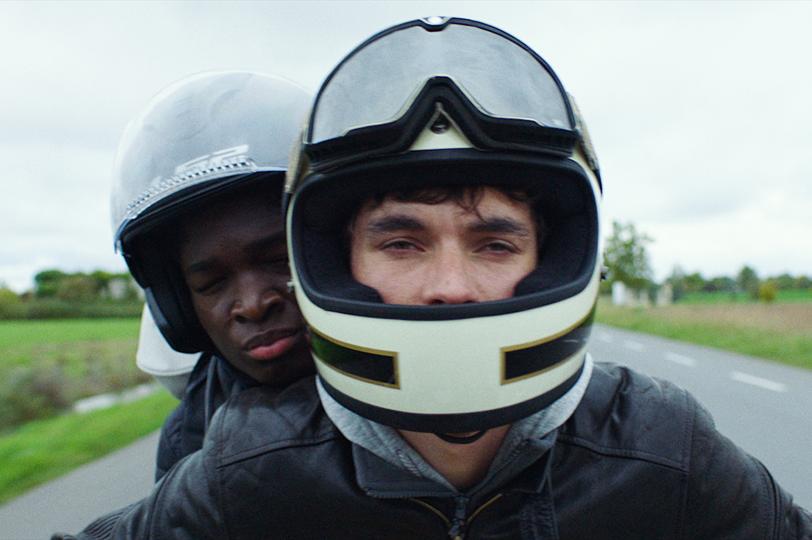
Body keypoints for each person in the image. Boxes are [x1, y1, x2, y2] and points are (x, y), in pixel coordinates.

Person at [62, 17, 811, 539]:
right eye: (401, 242)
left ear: (554, 261)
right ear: (336, 263)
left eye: (494, 243)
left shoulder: (663, 444)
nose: (450, 286)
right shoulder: (247, 467)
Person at [109, 71, 315, 480]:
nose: (253, 306)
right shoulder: (187, 437)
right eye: (211, 284)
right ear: (177, 306)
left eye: (280, 260)